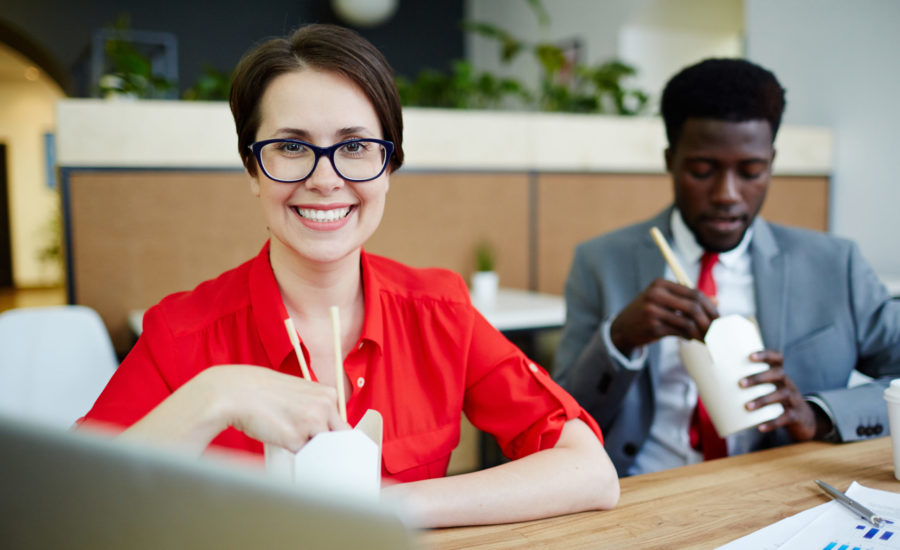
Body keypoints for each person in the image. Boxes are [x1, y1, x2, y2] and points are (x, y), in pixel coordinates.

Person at [79, 24, 618, 526]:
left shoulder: (439, 310)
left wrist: (376, 508)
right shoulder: (182, 332)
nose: (325, 178)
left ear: (390, 167)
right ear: (251, 169)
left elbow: (590, 472)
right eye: (291, 147)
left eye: (355, 147)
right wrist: (217, 394)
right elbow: (71, 506)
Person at [553, 58, 900, 477]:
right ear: (670, 160)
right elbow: (557, 417)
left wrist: (819, 414)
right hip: (641, 492)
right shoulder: (600, 261)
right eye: (702, 171)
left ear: (771, 161)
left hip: (779, 494)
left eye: (751, 171)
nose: (727, 195)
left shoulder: (834, 264)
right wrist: (619, 339)